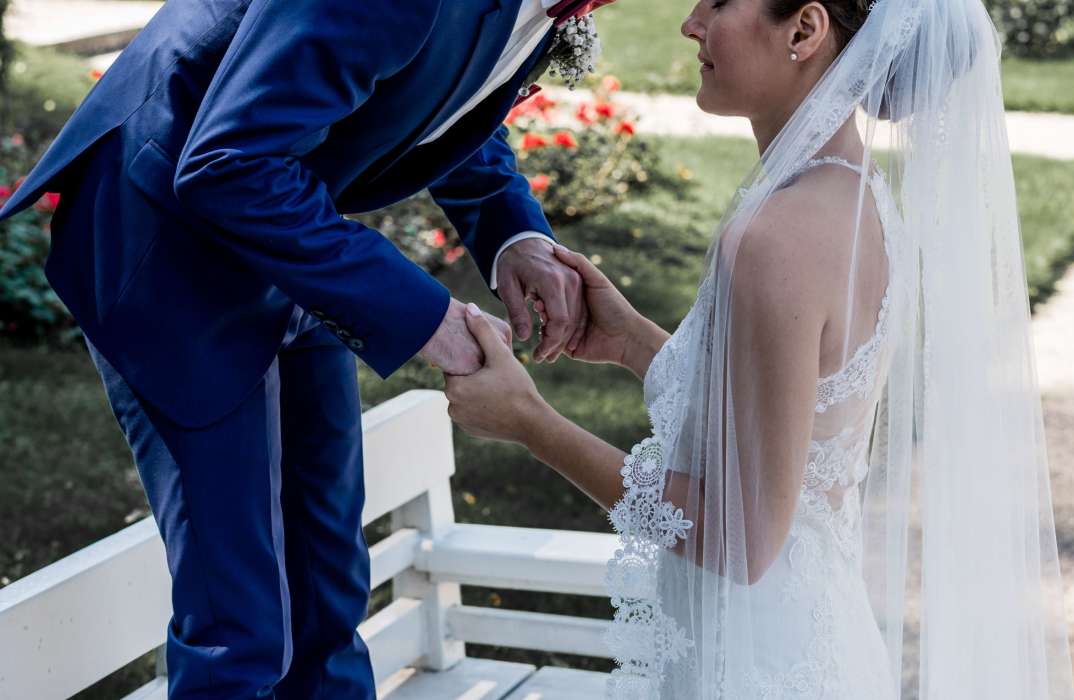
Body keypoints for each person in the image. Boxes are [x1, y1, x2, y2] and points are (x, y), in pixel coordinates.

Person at [444, 0, 1074, 697]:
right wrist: (633, 343)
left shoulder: (777, 239)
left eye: (719, 2)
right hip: (811, 639)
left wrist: (530, 423)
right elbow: (792, 421)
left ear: (804, 30)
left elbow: (740, 539)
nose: (690, 23)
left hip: (753, 665)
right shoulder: (858, 196)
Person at [0, 1, 617, 698]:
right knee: (238, 622)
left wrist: (513, 234)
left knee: (329, 584)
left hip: (297, 231)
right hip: (165, 237)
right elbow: (227, 162)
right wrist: (424, 318)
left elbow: (448, 85)